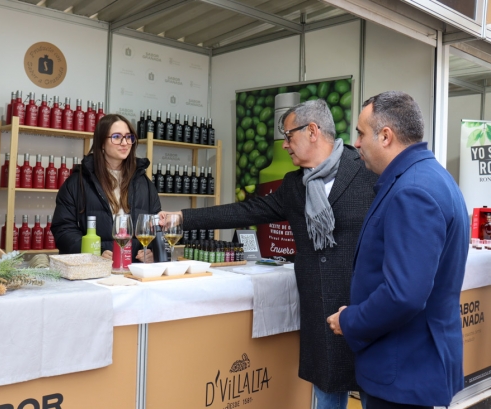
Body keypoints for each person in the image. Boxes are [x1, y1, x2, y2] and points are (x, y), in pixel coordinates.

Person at [161, 99, 377, 409]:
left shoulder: (366, 171)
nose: (285, 145)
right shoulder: (294, 185)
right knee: (328, 397)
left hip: (363, 306)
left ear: (313, 131)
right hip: (320, 309)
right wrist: (181, 217)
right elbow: (246, 210)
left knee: (374, 394)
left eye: (289, 136)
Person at [327, 91, 469, 409]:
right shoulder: (432, 179)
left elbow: (404, 294)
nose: (357, 144)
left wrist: (349, 320)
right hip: (413, 367)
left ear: (386, 136)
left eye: (361, 134)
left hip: (403, 372)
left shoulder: (413, 190)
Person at [51, 113, 161, 262]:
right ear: (102, 143)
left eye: (129, 137)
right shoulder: (78, 182)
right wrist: (95, 253)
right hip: (94, 270)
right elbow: (63, 229)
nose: (125, 143)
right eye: (117, 137)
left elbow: (157, 225)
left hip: (134, 269)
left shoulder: (144, 183)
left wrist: (153, 251)